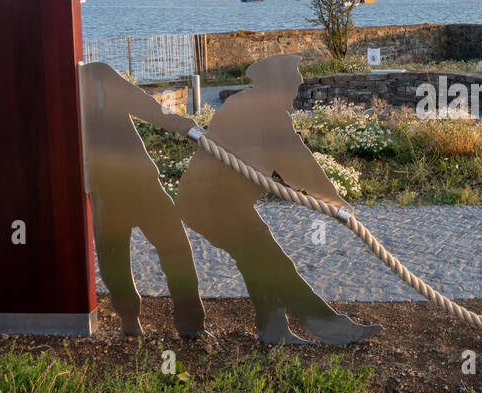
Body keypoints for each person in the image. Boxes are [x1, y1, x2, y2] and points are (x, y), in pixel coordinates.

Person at [176, 55, 380, 345]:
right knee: (270, 260)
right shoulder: (264, 110)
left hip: (218, 202)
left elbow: (295, 163)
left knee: (259, 259)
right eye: (293, 75)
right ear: (277, 82)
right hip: (210, 204)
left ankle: (275, 331)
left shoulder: (247, 103)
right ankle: (327, 326)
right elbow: (299, 165)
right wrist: (335, 202)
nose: (299, 80)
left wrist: (331, 200)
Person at [79, 62, 205, 336]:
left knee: (176, 246)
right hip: (104, 191)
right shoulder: (51, 94)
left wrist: (187, 127)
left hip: (142, 183)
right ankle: (128, 321)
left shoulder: (97, 75)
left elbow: (145, 105)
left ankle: (191, 323)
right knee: (114, 260)